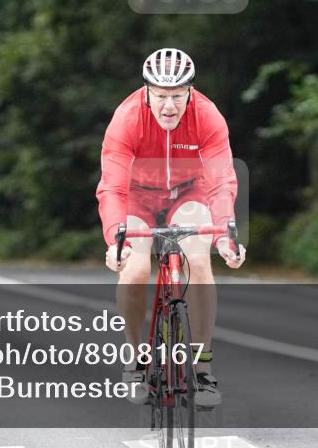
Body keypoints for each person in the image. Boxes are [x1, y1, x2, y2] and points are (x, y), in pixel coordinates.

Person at [97, 48, 247, 407]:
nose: (169, 106)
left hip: (188, 193)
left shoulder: (207, 116)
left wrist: (225, 235)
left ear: (190, 92)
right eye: (161, 96)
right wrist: (116, 239)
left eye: (178, 96)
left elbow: (221, 182)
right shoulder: (126, 119)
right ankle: (134, 359)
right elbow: (113, 187)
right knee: (134, 269)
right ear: (146, 92)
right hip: (137, 197)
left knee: (198, 259)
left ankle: (203, 368)